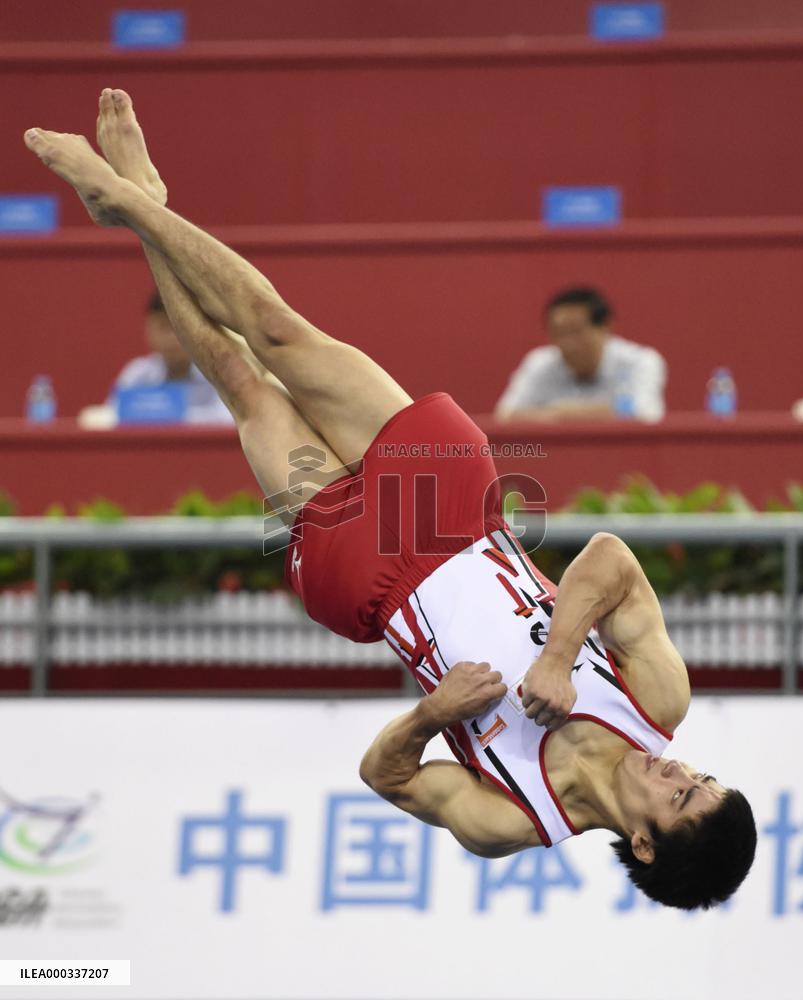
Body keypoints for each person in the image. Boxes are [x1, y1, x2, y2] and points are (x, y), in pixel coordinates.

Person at [23, 90, 756, 910]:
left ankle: (137, 205)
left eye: (683, 796)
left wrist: (432, 714)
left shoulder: (513, 820)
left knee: (242, 387)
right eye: (703, 776)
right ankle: (129, 199)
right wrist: (558, 657)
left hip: (369, 578)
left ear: (647, 843)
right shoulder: (658, 703)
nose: (680, 771)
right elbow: (612, 561)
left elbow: (387, 777)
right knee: (275, 332)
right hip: (453, 509)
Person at [496, 287, 666, 422]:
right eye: (559, 333)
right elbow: (506, 416)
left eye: (576, 332)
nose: (568, 343)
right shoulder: (539, 363)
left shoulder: (640, 362)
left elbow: (645, 415)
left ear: (605, 327)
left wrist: (562, 413)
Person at [109, 290, 232, 424]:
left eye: (178, 327)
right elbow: (110, 418)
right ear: (148, 331)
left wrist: (167, 414)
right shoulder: (137, 374)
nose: (171, 338)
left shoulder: (217, 374)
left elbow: (229, 420)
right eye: (162, 327)